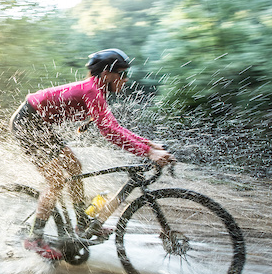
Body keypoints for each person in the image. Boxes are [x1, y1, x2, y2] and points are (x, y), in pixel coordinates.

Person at [9, 48, 174, 260]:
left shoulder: (97, 89)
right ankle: (34, 237)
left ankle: (81, 224)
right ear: (106, 75)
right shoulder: (92, 91)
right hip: (26, 123)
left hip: (40, 125)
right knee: (57, 180)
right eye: (122, 74)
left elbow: (115, 127)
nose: (125, 80)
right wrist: (148, 152)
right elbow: (110, 132)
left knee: (75, 167)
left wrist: (150, 146)